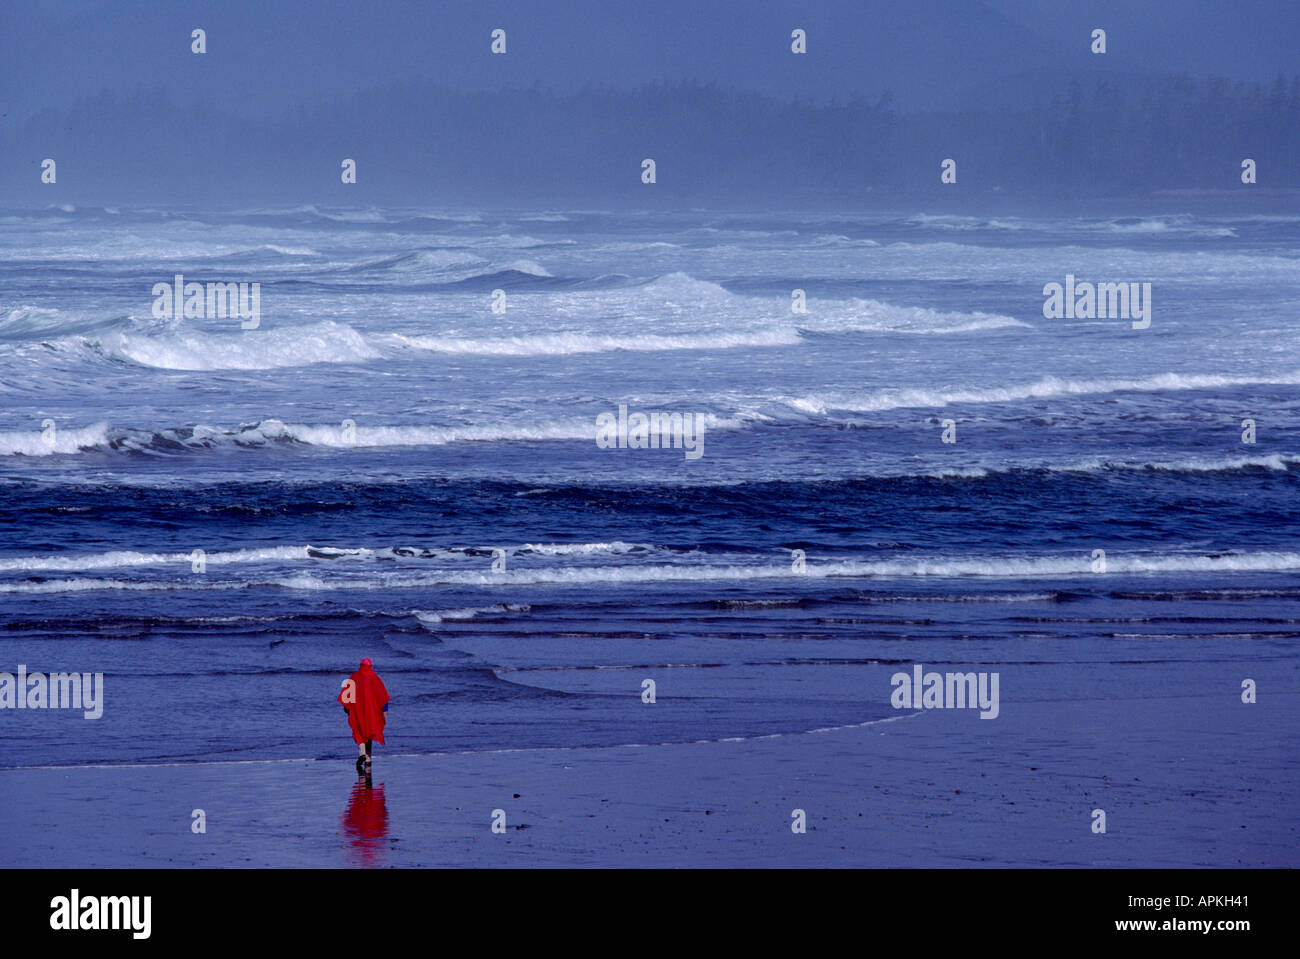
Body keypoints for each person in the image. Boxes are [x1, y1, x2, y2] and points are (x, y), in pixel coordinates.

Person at [339, 657, 390, 773]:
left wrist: (348, 710)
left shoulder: (354, 677)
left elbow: (346, 697)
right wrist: (384, 711)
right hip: (372, 712)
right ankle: (368, 758)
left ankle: (361, 752)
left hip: (357, 710)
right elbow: (383, 697)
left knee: (358, 731)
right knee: (369, 733)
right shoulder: (375, 678)